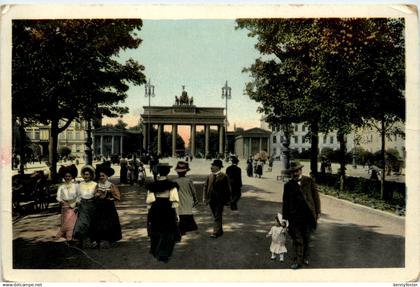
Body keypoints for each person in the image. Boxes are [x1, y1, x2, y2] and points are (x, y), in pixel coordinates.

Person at [282, 161, 321, 269]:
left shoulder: (309, 181)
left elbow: (316, 197)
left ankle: (305, 257)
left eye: (296, 171)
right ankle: (299, 261)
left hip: (308, 216)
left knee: (307, 238)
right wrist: (285, 219)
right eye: (293, 172)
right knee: (298, 239)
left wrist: (317, 212)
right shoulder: (288, 185)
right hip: (294, 217)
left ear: (301, 171)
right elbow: (285, 203)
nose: (294, 173)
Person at [146, 163, 180, 262]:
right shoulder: (172, 185)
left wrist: (149, 213)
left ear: (158, 172)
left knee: (155, 229)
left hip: (155, 208)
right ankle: (164, 253)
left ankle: (155, 250)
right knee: (167, 231)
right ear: (168, 172)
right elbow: (175, 201)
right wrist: (177, 214)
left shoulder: (152, 186)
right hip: (167, 209)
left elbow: (149, 201)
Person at [90, 165, 122, 249]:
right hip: (99, 206)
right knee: (98, 222)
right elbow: (93, 195)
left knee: (109, 222)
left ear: (107, 176)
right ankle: (98, 240)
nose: (101, 177)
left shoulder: (111, 185)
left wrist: (112, 196)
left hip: (109, 206)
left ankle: (108, 239)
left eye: (103, 176)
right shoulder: (97, 185)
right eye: (100, 176)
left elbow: (118, 196)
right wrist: (96, 195)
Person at [203, 159, 231, 238]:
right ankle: (220, 230)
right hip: (211, 199)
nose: (211, 167)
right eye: (211, 165)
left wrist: (228, 200)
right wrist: (205, 198)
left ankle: (215, 232)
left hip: (220, 200)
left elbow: (228, 189)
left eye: (213, 166)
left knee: (217, 215)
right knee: (215, 215)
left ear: (218, 167)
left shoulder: (224, 176)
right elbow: (205, 187)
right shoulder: (210, 176)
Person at [73, 165, 97, 248]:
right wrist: (76, 204)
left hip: (92, 205)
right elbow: (78, 195)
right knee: (82, 223)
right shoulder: (80, 184)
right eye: (85, 174)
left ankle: (92, 241)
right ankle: (79, 240)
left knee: (91, 223)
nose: (86, 176)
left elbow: (96, 195)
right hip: (83, 205)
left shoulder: (94, 184)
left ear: (91, 175)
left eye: (88, 174)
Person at [173, 161, 198, 235]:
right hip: (188, 199)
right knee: (187, 213)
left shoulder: (174, 181)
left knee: (180, 213)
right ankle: (187, 227)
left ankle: (181, 228)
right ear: (186, 172)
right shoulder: (189, 180)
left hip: (179, 199)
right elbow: (193, 191)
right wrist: (195, 199)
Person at [56, 165, 79, 243]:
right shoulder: (61, 187)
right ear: (64, 177)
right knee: (66, 220)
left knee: (72, 220)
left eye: (69, 176)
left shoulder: (76, 186)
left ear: (72, 177)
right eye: (66, 176)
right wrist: (62, 201)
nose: (67, 178)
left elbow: (79, 195)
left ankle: (71, 236)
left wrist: (77, 202)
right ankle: (66, 235)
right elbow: (58, 197)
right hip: (65, 205)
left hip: (73, 205)